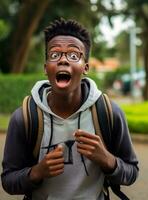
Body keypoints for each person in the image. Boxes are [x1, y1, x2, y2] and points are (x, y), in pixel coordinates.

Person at [1, 19, 139, 200]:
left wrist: (108, 160)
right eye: (55, 55)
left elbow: (132, 172)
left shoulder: (109, 113)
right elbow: (8, 181)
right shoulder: (24, 118)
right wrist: (36, 172)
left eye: (74, 55)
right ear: (45, 68)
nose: (64, 60)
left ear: (85, 67)